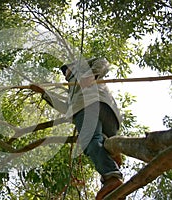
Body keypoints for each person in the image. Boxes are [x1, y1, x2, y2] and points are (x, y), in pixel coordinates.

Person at [30, 57, 123, 200]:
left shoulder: (84, 70)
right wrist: (43, 93)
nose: (65, 73)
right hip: (110, 117)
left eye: (66, 69)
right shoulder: (72, 90)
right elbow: (66, 108)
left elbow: (102, 61)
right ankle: (110, 158)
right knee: (98, 143)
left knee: (89, 141)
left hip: (89, 107)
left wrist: (91, 74)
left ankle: (112, 176)